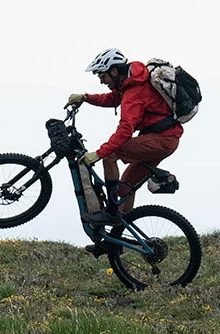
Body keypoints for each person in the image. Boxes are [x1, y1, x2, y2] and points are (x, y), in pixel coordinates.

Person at [66, 48, 180, 223]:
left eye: (102, 76)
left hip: (161, 139)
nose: (102, 81)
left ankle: (111, 213)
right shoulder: (130, 82)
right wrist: (85, 97)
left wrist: (99, 153)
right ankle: (117, 242)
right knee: (124, 189)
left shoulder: (134, 92)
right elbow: (112, 99)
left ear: (113, 71)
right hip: (163, 138)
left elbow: (126, 129)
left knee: (110, 156)